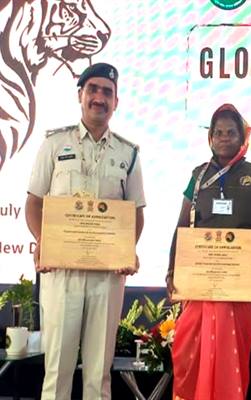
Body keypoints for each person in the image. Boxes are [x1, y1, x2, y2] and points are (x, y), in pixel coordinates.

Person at [24, 63, 146, 399]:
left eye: (107, 92)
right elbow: (34, 203)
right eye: (93, 89)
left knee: (98, 374)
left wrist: (126, 249)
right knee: (57, 372)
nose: (99, 98)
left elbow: (135, 212)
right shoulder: (54, 144)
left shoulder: (128, 153)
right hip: (61, 273)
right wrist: (43, 241)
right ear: (80, 95)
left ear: (116, 102)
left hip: (107, 276)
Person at [167, 104, 251, 400]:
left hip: (238, 290)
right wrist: (171, 270)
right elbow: (182, 225)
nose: (224, 138)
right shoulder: (198, 176)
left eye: (230, 132)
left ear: (242, 137)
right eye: (218, 132)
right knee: (187, 356)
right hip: (199, 288)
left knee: (229, 362)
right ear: (210, 137)